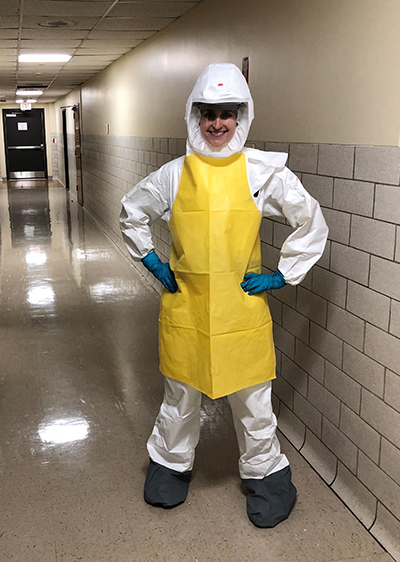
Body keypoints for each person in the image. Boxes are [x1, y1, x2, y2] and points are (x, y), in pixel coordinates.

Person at [120, 63, 328, 528]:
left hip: (242, 313)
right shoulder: (175, 175)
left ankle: (267, 477)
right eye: (208, 113)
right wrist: (152, 261)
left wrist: (282, 275)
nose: (217, 124)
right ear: (195, 116)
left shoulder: (262, 172)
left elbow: (310, 219)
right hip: (187, 310)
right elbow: (132, 211)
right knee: (180, 398)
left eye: (226, 114)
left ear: (241, 116)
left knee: (253, 402)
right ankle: (170, 466)